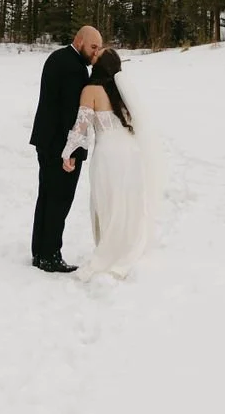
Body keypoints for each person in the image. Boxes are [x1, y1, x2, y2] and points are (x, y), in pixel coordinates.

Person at [61, 47, 148, 281]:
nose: (94, 53)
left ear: (100, 65)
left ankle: (109, 251)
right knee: (126, 202)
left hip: (108, 155)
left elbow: (81, 127)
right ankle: (125, 248)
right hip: (130, 154)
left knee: (107, 202)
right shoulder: (121, 92)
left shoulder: (91, 90)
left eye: (98, 54)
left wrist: (67, 152)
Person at [29, 24, 103, 272]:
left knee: (47, 196)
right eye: (93, 46)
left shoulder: (57, 57)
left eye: (99, 49)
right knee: (59, 200)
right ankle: (50, 255)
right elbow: (70, 115)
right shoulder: (74, 68)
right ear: (79, 40)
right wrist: (69, 151)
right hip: (61, 145)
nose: (95, 53)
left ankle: (40, 251)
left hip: (46, 140)